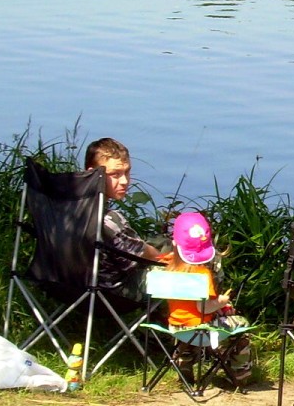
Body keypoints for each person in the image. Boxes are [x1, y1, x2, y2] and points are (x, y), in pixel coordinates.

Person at [165, 211, 253, 389]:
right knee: (241, 325)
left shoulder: (167, 271)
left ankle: (184, 364)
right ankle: (239, 374)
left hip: (176, 328)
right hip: (201, 330)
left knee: (189, 327)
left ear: (174, 243)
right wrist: (222, 302)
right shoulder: (202, 275)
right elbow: (203, 307)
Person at [84, 137, 165, 300]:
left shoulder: (66, 208)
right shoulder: (108, 219)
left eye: (127, 172)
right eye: (115, 174)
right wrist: (171, 262)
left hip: (62, 286)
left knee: (165, 243)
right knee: (192, 266)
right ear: (92, 173)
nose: (125, 181)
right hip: (111, 293)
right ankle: (204, 315)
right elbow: (144, 255)